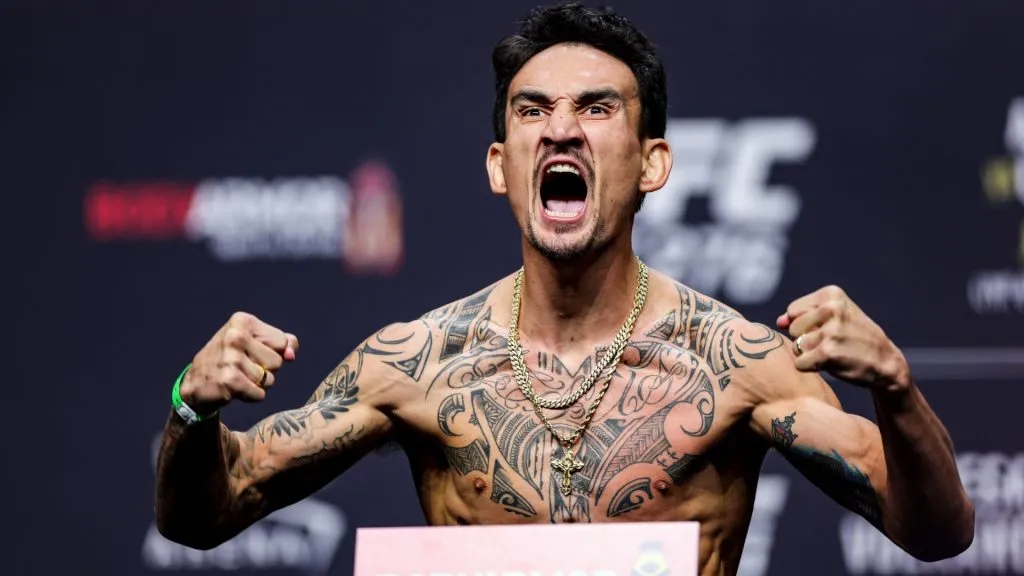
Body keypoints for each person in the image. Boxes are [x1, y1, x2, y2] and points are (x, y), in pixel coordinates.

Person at [154, 3, 974, 573]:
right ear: (500, 164)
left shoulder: (737, 367)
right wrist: (193, 408)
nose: (560, 127)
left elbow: (935, 532)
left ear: (653, 162)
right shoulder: (418, 363)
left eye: (597, 108)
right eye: (532, 109)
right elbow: (205, 515)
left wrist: (897, 390)